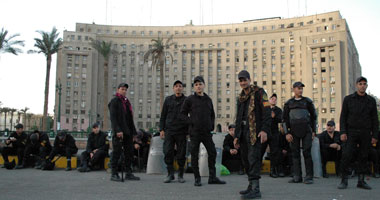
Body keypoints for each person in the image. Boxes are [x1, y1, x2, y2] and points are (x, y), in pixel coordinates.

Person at [181, 76, 226, 186]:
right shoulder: (189, 99)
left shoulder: (208, 100)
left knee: (212, 153)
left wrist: (211, 126)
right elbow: (182, 114)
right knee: (194, 155)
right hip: (194, 132)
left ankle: (212, 177)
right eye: (196, 85)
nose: (198, 86)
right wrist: (191, 121)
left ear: (204, 85)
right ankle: (197, 178)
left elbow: (212, 115)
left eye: (200, 84)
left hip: (206, 133)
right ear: (194, 87)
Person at [233, 70, 271, 199]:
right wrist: (236, 135)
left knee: (253, 159)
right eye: (241, 80)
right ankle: (250, 186)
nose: (243, 83)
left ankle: (256, 189)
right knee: (246, 160)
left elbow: (267, 112)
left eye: (245, 80)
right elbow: (238, 117)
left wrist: (265, 130)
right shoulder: (241, 97)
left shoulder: (260, 93)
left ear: (249, 80)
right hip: (243, 132)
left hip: (255, 132)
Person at [338, 76, 379, 190]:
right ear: (356, 85)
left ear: (366, 86)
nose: (362, 86)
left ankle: (361, 181)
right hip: (351, 131)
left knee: (363, 156)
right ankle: (344, 180)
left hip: (366, 132)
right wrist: (343, 132)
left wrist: (375, 135)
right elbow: (343, 117)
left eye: (364, 84)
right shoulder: (348, 99)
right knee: (347, 155)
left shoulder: (371, 100)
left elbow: (375, 119)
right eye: (360, 84)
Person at [283, 81, 317, 184]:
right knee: (295, 153)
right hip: (293, 131)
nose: (300, 90)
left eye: (301, 88)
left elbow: (314, 117)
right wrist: (286, 133)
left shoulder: (308, 102)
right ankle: (297, 176)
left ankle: (309, 177)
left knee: (307, 152)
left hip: (306, 130)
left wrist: (313, 131)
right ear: (293, 89)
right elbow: (284, 119)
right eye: (298, 88)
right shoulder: (288, 103)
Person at [108, 83, 140, 182]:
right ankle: (114, 173)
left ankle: (128, 173)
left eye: (125, 89)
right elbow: (113, 118)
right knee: (116, 152)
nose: (124, 91)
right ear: (118, 90)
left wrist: (134, 133)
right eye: (122, 89)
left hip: (128, 131)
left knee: (129, 153)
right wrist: (117, 130)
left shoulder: (126, 102)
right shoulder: (114, 101)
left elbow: (130, 119)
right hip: (119, 132)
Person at [160, 80, 188, 183]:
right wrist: (161, 129)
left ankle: (180, 175)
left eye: (180, 86)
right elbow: (163, 115)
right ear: (173, 88)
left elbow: (190, 116)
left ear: (182, 88)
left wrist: (189, 131)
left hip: (182, 131)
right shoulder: (168, 100)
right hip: (169, 131)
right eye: (176, 86)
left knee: (181, 154)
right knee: (167, 152)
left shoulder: (186, 100)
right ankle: (170, 174)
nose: (178, 88)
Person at [260, 93, 283, 178]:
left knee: (274, 152)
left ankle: (273, 170)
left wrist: (274, 117)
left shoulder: (278, 110)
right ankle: (256, 169)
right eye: (272, 98)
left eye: (275, 99)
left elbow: (281, 119)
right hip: (265, 132)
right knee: (260, 150)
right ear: (269, 100)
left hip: (274, 133)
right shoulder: (265, 109)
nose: (274, 100)